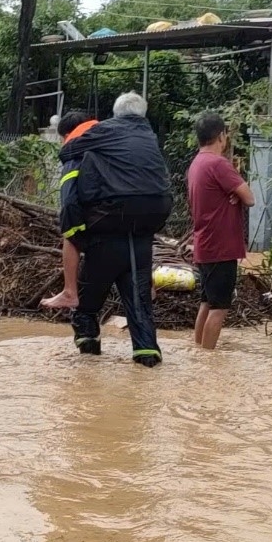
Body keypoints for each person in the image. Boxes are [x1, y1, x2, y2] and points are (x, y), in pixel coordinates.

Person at [59, 92, 172, 368]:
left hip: (108, 229)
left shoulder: (103, 133)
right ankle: (148, 361)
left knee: (86, 307)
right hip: (148, 225)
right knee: (140, 309)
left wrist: (75, 233)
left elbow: (67, 155)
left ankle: (87, 369)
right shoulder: (150, 135)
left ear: (115, 113)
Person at [186, 111, 254, 350]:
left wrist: (231, 195)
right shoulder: (218, 163)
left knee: (207, 303)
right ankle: (208, 359)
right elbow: (249, 197)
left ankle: (198, 352)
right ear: (221, 136)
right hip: (221, 247)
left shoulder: (197, 163)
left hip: (205, 244)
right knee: (220, 307)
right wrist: (235, 194)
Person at [42, 111, 97, 310]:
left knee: (69, 231)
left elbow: (69, 203)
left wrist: (77, 234)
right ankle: (146, 285)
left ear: (67, 136)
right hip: (136, 217)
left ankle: (69, 292)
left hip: (98, 224)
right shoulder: (112, 144)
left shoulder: (75, 153)